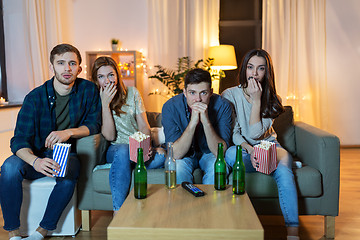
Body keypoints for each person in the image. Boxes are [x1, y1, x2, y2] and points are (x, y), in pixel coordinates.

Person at [0, 44, 102, 240]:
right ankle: (13, 233)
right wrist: (35, 161)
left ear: (79, 68)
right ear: (52, 67)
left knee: (70, 171)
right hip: (34, 155)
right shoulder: (34, 98)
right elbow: (18, 140)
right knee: (9, 167)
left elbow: (94, 124)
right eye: (61, 63)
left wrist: (68, 132)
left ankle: (42, 232)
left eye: (72, 63)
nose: (67, 69)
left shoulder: (88, 90)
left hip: (64, 154)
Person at [222, 49, 299, 240]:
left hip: (270, 147)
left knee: (283, 171)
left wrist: (257, 100)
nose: (254, 73)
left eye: (260, 69)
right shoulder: (230, 95)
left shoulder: (273, 99)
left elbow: (256, 133)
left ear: (267, 72)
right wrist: (250, 149)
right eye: (250, 67)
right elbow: (235, 133)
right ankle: (224, 224)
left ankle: (293, 233)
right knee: (231, 155)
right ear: (244, 69)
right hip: (246, 151)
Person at [90, 56, 165, 213]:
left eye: (111, 74)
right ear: (96, 80)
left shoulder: (132, 93)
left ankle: (124, 166)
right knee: (124, 150)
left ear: (117, 75)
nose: (107, 80)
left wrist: (145, 145)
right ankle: (119, 211)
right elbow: (109, 136)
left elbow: (144, 125)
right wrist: (105, 104)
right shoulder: (94, 99)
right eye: (101, 76)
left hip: (136, 147)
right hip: (116, 149)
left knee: (163, 155)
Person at [161, 68, 232, 184]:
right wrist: (193, 122)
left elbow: (221, 152)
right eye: (192, 92)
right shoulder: (170, 107)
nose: (198, 99)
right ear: (184, 92)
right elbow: (176, 154)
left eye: (203, 93)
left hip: (209, 154)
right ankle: (184, 202)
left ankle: (210, 202)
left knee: (219, 167)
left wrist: (206, 121)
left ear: (211, 92)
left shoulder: (223, 106)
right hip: (185, 155)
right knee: (177, 168)